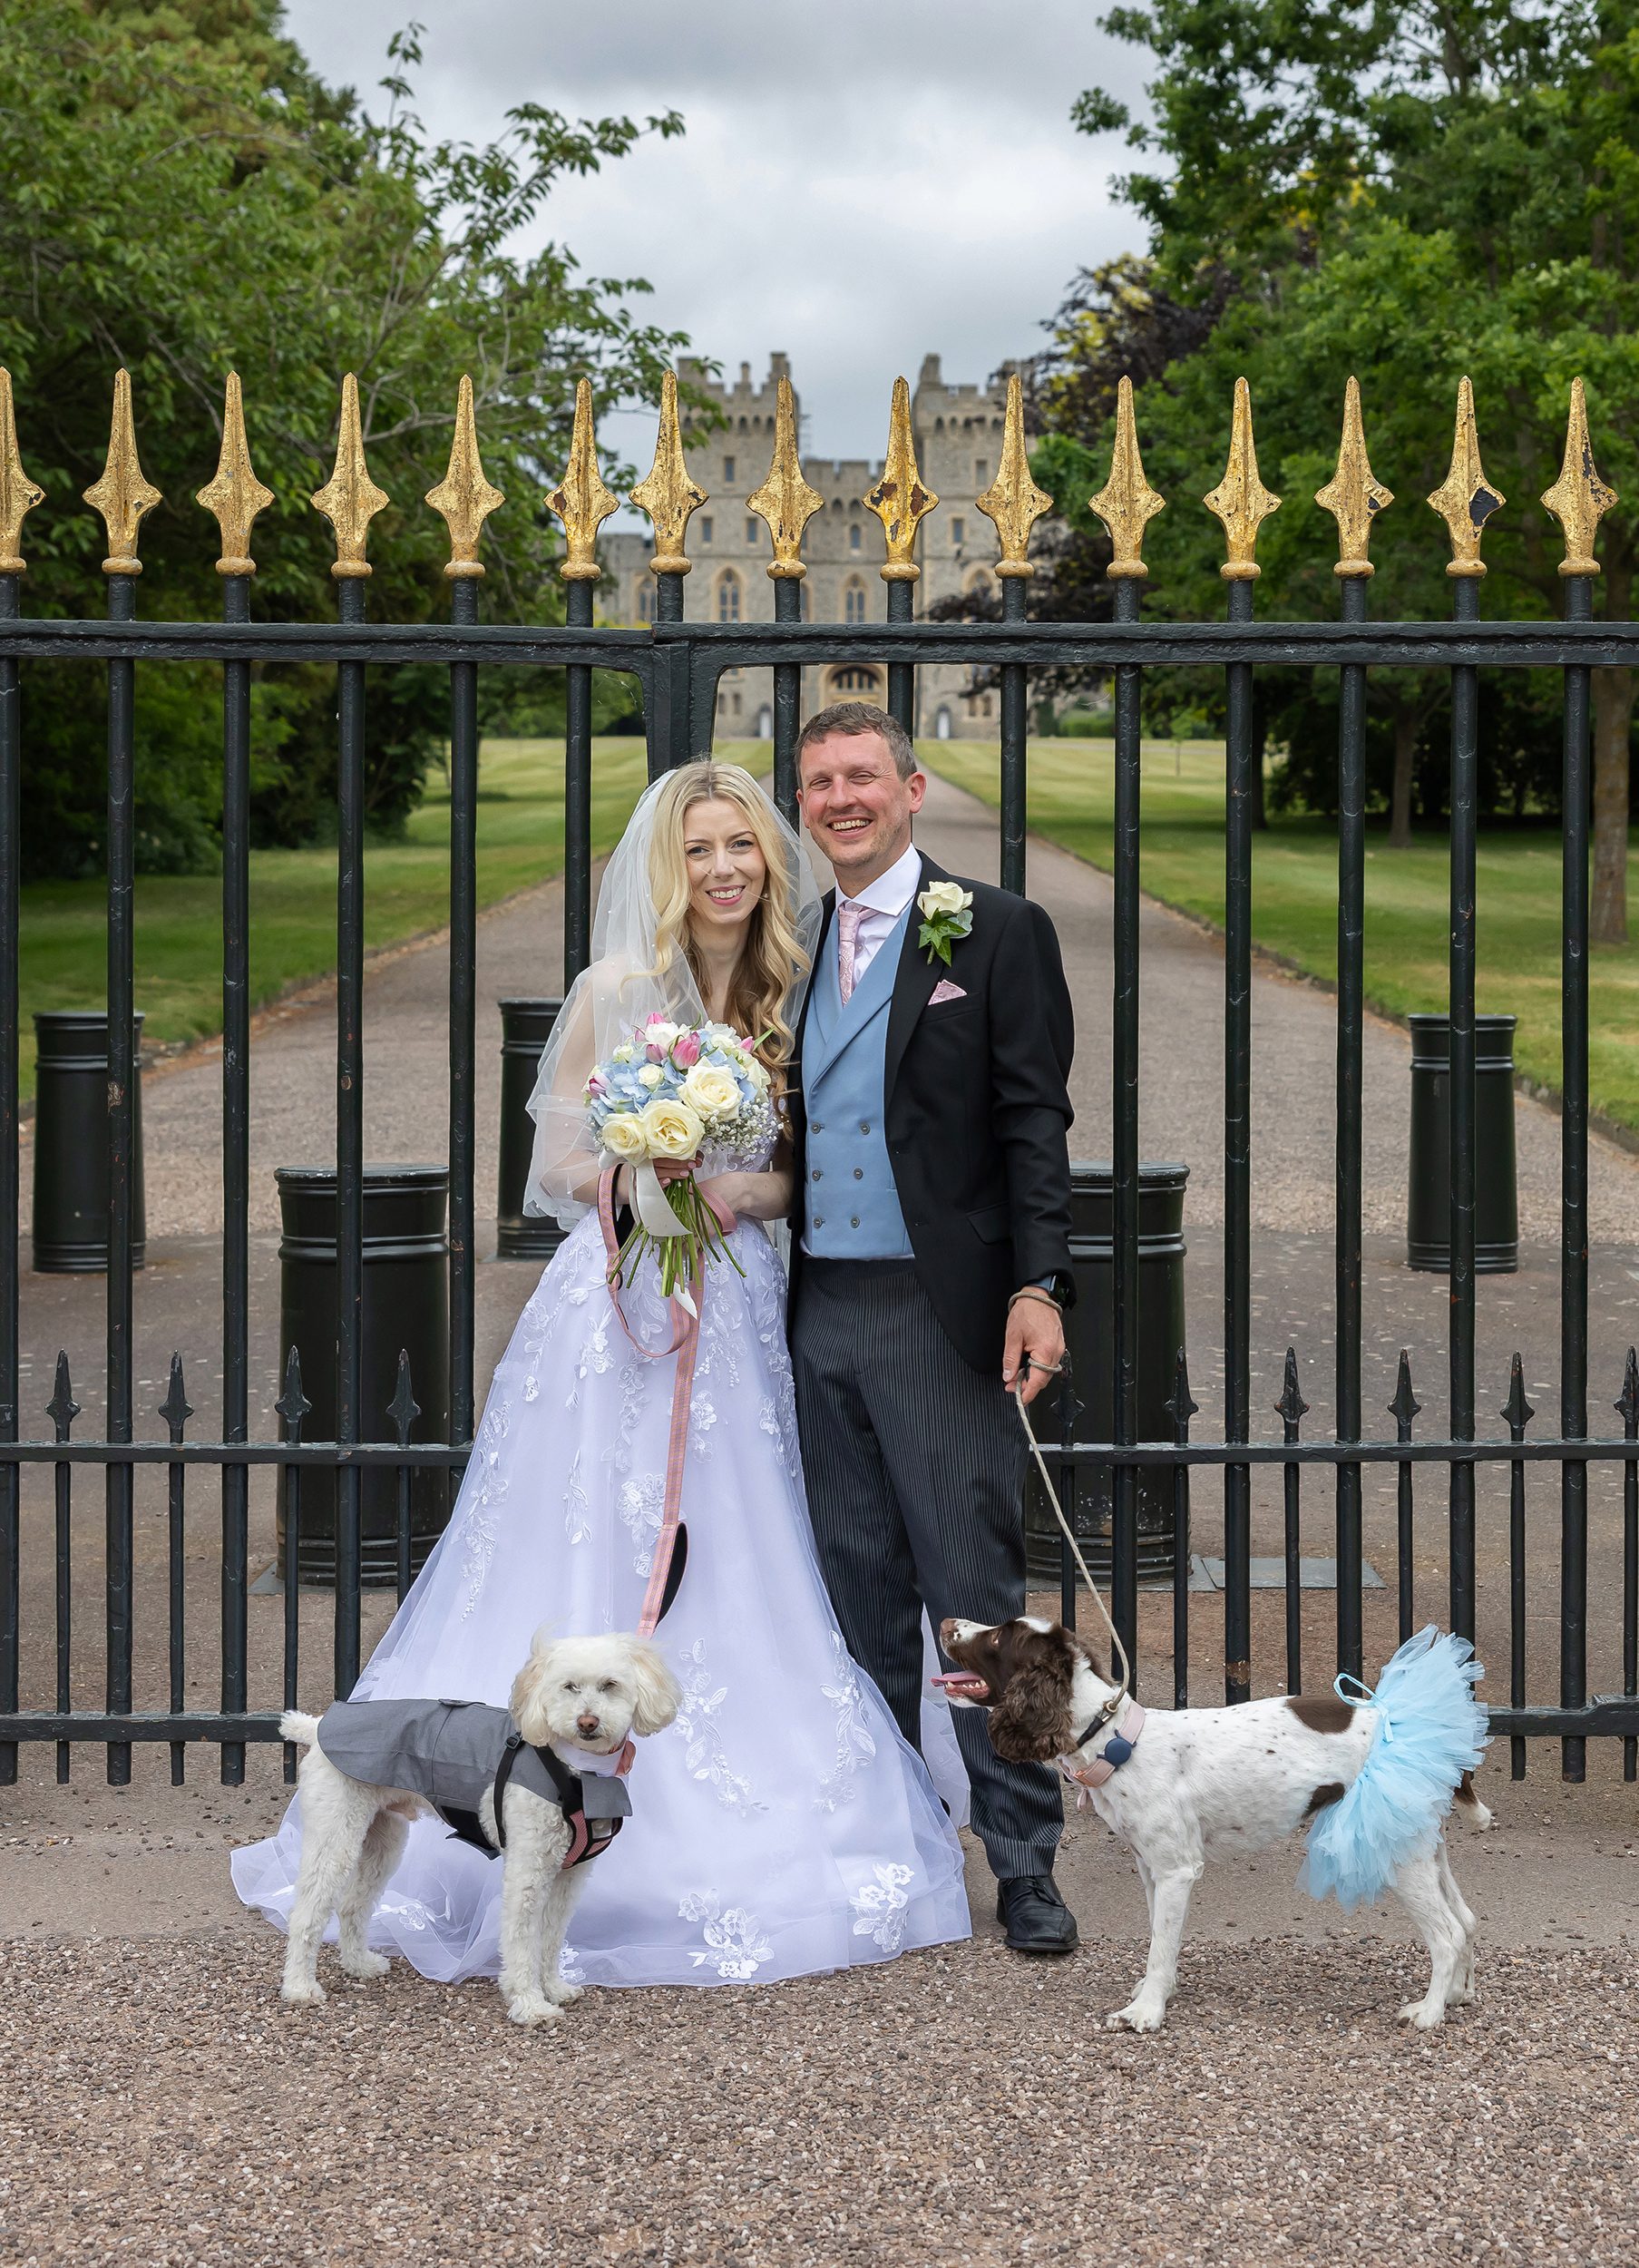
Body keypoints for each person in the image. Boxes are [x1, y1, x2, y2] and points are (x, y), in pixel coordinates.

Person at [233, 761, 971, 1988]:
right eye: (700, 851)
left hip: (733, 1303)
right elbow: (557, 1162)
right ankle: (496, 1796)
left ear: (769, 864)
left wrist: (739, 1186)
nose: (725, 869)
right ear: (667, 869)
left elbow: (812, 1168)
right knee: (575, 1525)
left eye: (743, 846)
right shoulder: (615, 989)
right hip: (616, 1297)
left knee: (735, 1534)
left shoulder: (797, 997)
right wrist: (646, 1165)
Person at [788, 702, 1079, 1955]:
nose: (840, 799)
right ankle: (890, 1848)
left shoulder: (990, 926)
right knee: (855, 1604)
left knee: (976, 1603)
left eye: (862, 777)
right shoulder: (794, 943)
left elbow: (1034, 1122)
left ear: (912, 789)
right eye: (818, 783)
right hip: (816, 1312)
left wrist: (1041, 1283)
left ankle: (1023, 1860)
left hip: (939, 1309)